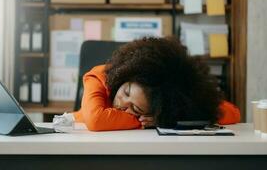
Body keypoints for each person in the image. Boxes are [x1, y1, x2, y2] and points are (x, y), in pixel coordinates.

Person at [73, 37, 240, 131]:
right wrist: (143, 121)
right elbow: (96, 120)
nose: (122, 104)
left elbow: (232, 113)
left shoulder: (162, 108)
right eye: (126, 91)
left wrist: (167, 118)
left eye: (136, 109)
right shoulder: (99, 75)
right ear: (126, 75)